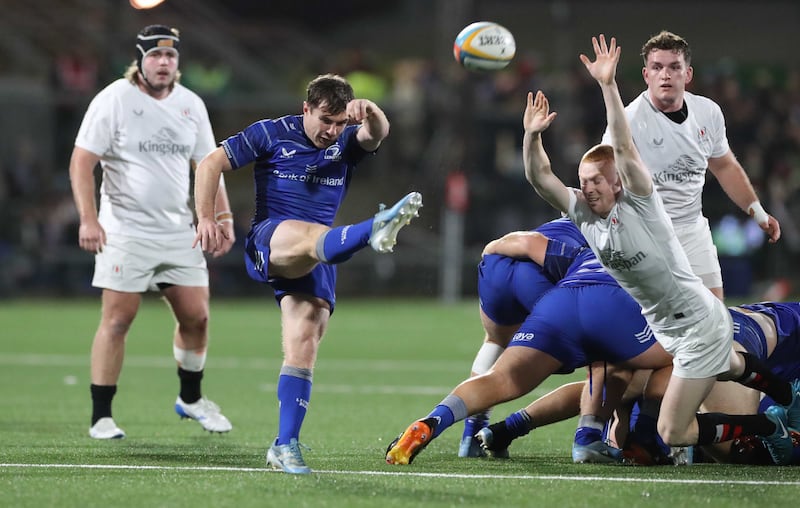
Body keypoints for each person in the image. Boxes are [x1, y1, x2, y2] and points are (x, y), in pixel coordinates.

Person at [519, 34, 797, 464]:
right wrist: (531, 137)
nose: (589, 188)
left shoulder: (646, 206)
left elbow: (631, 153)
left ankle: (667, 431)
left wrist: (607, 85)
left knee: (681, 414)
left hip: (693, 313)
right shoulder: (587, 215)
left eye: (599, 180)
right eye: (584, 182)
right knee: (719, 363)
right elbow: (542, 180)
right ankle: (774, 396)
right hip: (673, 322)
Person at [193, 73, 422, 474]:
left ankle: (285, 445)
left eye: (339, 123)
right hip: (271, 239)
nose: (332, 132)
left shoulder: (348, 141)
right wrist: (205, 218)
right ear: (306, 109)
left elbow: (378, 133)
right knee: (314, 237)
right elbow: (210, 163)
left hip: (318, 258)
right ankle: (373, 228)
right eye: (324, 121)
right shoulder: (270, 133)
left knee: (304, 343)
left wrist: (369, 111)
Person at [384, 225, 675, 465]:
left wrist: (489, 249)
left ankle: (434, 422)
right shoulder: (645, 245)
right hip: (594, 298)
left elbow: (530, 240)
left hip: (542, 293)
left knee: (501, 374)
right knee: (658, 358)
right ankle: (603, 437)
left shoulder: (582, 245)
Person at [69, 25, 235, 440]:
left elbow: (209, 166)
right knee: (118, 319)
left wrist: (223, 217)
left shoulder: (191, 104)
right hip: (125, 231)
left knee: (196, 317)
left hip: (178, 230)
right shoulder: (114, 99)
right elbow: (80, 163)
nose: (164, 63)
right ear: (140, 61)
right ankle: (101, 415)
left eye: (171, 57)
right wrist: (89, 219)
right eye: (156, 56)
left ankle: (191, 399)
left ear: (178, 62)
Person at [479, 301, 800, 466]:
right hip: (734, 337)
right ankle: (758, 428)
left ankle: (509, 427)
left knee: (628, 387)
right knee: (733, 451)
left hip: (713, 326)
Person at [601, 30, 780, 300]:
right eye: (657, 67)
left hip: (692, 229)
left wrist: (757, 211)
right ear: (646, 75)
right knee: (648, 328)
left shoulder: (708, 113)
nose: (665, 74)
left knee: (715, 319)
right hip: (643, 234)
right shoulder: (628, 120)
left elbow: (725, 166)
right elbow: (601, 175)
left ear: (688, 74)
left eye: (674, 67)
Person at [457, 217, 587, 458]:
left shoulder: (566, 219)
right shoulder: (610, 231)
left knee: (495, 341)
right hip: (538, 274)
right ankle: (591, 436)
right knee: (604, 360)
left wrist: (491, 248)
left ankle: (471, 434)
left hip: (499, 265)